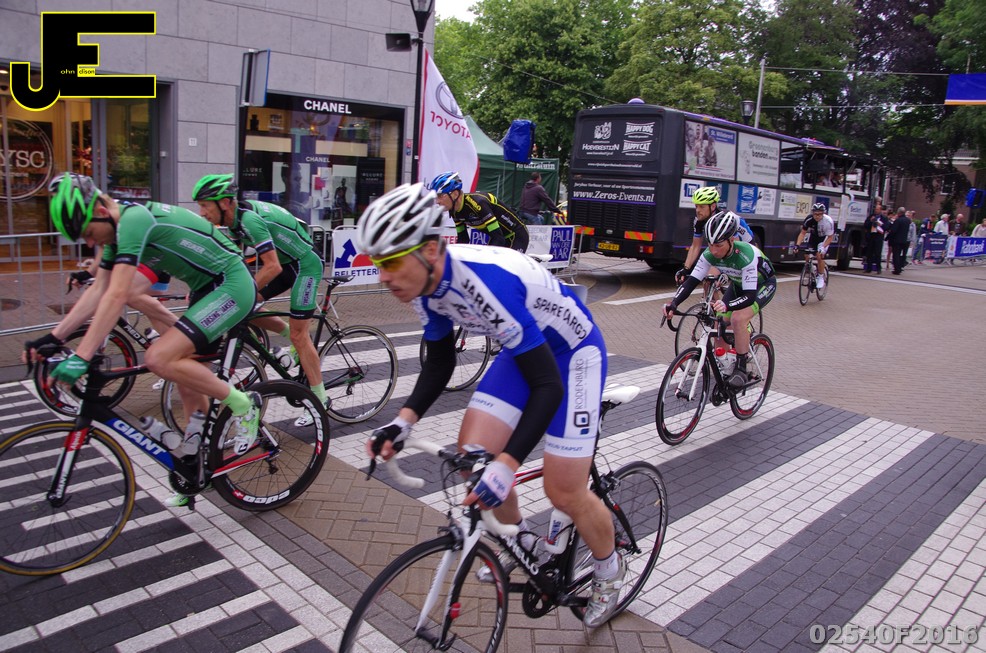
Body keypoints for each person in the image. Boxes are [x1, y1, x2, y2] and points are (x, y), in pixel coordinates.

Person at [357, 183, 622, 628]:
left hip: (574, 356)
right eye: (377, 262)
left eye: (391, 262)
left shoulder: (484, 284)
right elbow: (440, 361)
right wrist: (402, 423)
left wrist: (508, 464)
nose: (383, 276)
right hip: (525, 351)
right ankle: (520, 542)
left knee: (563, 490)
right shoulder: (424, 285)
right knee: (472, 458)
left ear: (430, 250)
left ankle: (609, 573)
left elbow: (547, 387)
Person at [29, 173, 262, 508]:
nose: (90, 242)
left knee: (158, 358)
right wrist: (53, 338)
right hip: (206, 287)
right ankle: (195, 467)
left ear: (100, 210)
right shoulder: (116, 229)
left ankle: (244, 404)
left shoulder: (134, 219)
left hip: (232, 283)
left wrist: (82, 356)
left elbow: (117, 294)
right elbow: (99, 289)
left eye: (89, 233)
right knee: (186, 381)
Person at [192, 174, 327, 425]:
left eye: (204, 205)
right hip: (286, 264)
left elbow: (272, 267)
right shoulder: (234, 223)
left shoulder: (250, 221)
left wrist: (240, 291)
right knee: (245, 307)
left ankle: (320, 401)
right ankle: (288, 337)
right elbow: (235, 263)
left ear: (224, 203)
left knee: (300, 334)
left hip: (305, 264)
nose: (201, 212)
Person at [664, 211, 776, 388]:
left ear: (731, 240)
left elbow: (749, 296)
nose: (714, 251)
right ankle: (726, 365)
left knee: (737, 318)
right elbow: (691, 281)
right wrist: (674, 303)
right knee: (719, 323)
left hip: (762, 286)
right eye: (710, 245)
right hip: (738, 284)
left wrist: (727, 305)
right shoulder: (709, 254)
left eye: (718, 245)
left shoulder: (746, 255)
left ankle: (741, 369)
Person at [429, 171, 530, 252]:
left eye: (440, 196)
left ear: (455, 194)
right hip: (500, 237)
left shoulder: (478, 203)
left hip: (516, 235)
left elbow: (498, 238)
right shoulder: (455, 211)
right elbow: (463, 239)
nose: (437, 201)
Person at [675, 186, 755, 284]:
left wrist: (727, 271)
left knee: (718, 279)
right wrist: (686, 269)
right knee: (708, 280)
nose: (698, 210)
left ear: (712, 206)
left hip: (745, 247)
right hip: (724, 249)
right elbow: (695, 246)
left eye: (702, 207)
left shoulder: (725, 220)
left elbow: (735, 247)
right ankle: (713, 294)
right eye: (696, 206)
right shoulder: (699, 222)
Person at [795, 203, 835, 288]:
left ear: (823, 213)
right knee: (807, 255)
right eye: (815, 214)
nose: (817, 216)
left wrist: (823, 247)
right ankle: (812, 268)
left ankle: (820, 277)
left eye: (820, 214)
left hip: (824, 239)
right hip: (814, 238)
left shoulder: (828, 221)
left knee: (819, 255)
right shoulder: (809, 219)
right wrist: (797, 245)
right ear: (812, 213)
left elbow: (830, 237)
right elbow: (802, 233)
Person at [886, 206, 910, 275]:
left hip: (897, 240)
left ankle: (897, 269)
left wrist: (888, 237)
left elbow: (893, 231)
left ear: (899, 212)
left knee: (896, 255)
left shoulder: (898, 220)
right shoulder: (907, 220)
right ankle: (900, 267)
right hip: (904, 240)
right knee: (900, 255)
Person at [863, 205, 887, 273]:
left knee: (877, 253)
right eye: (875, 209)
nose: (876, 210)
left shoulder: (884, 218)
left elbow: (886, 227)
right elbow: (865, 225)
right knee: (869, 253)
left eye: (877, 209)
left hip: (878, 237)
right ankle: (869, 268)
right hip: (871, 236)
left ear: (880, 210)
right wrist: (871, 221)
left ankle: (878, 268)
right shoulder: (871, 216)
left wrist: (880, 225)